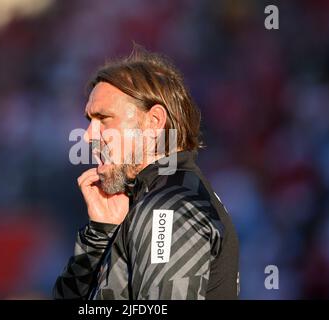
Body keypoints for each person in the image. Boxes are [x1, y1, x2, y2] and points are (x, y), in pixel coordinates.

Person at [53, 45, 239, 300]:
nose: (88, 136)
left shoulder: (170, 206)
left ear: (153, 122)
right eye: (89, 121)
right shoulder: (155, 198)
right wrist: (101, 235)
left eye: (104, 118)